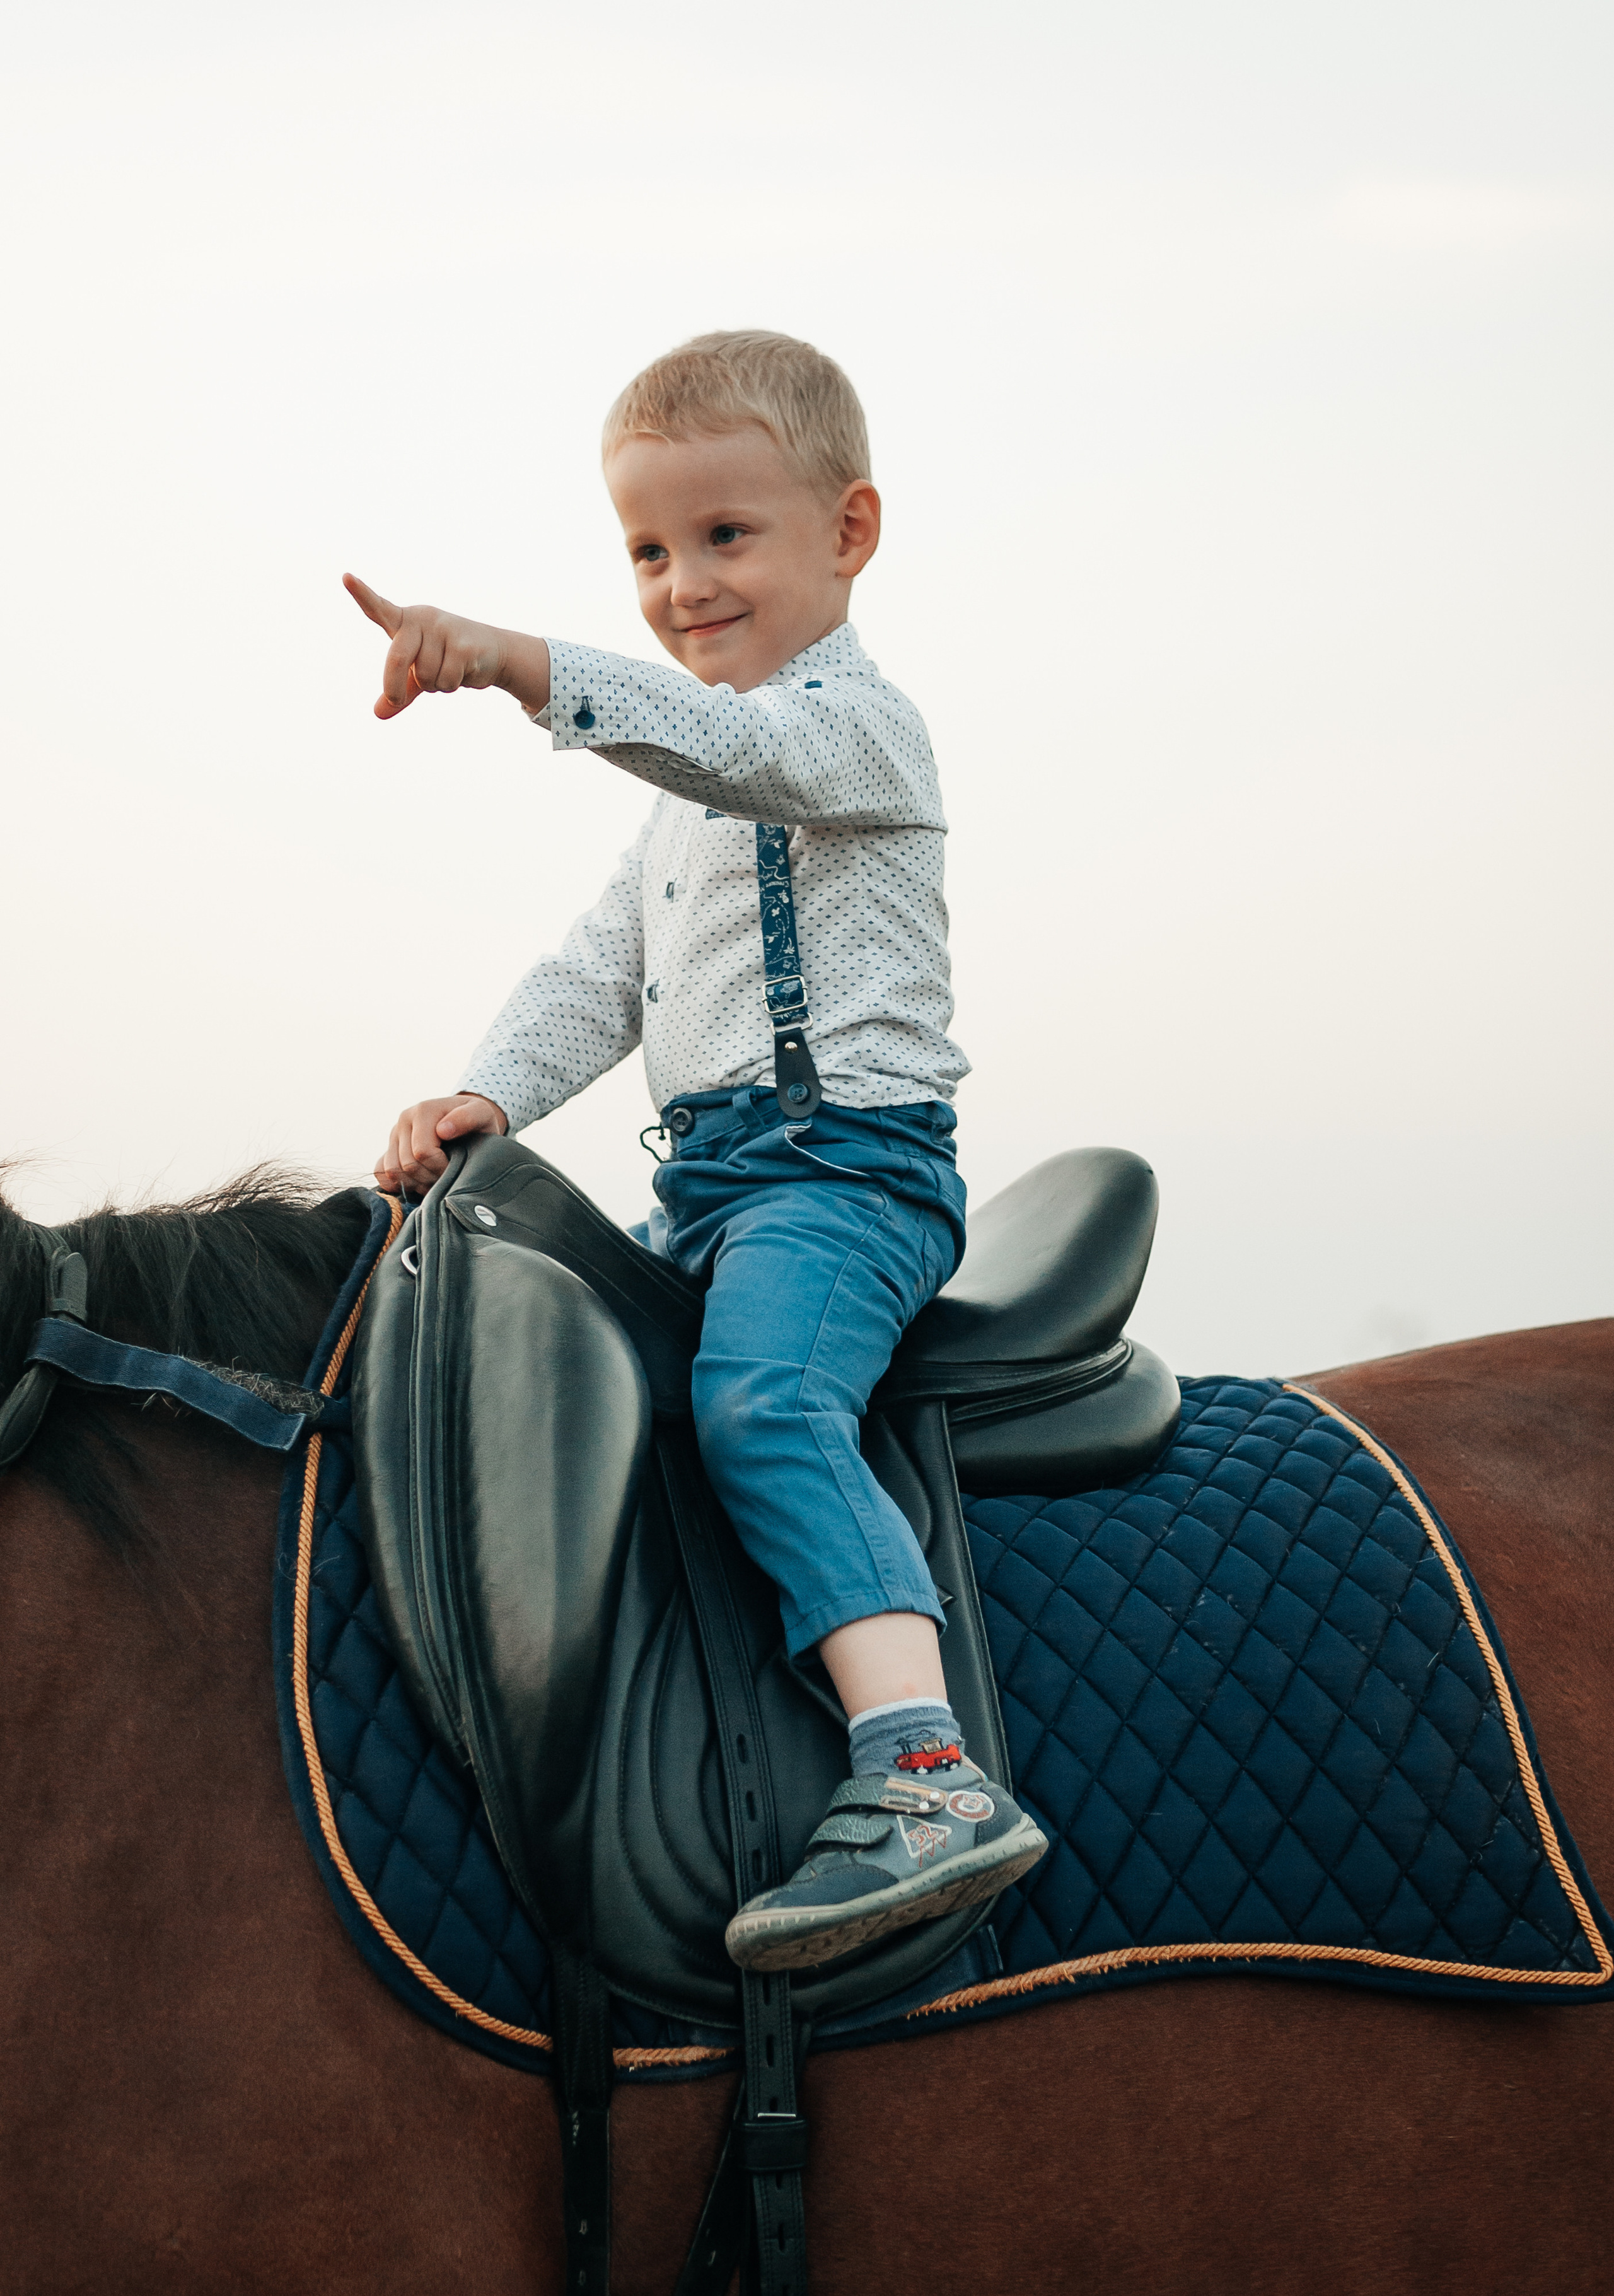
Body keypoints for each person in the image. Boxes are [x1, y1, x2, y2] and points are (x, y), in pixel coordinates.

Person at [351, 329, 1045, 1971]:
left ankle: (929, 1770)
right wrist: (487, 1096)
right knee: (587, 1409)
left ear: (849, 534)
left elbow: (733, 744)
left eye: (725, 537)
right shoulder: (679, 800)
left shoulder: (861, 732)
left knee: (763, 1397)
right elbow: (599, 972)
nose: (681, 582)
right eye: (648, 550)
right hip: (713, 1182)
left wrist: (522, 661)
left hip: (845, 1176)